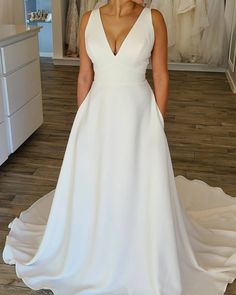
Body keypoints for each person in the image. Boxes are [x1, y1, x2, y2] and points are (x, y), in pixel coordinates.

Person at [2, 1, 236, 295]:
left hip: (139, 115)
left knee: (135, 181)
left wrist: (157, 123)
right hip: (97, 114)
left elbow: (161, 75)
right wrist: (82, 122)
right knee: (99, 181)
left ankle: (137, 249)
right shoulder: (88, 19)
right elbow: (85, 75)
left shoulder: (153, 19)